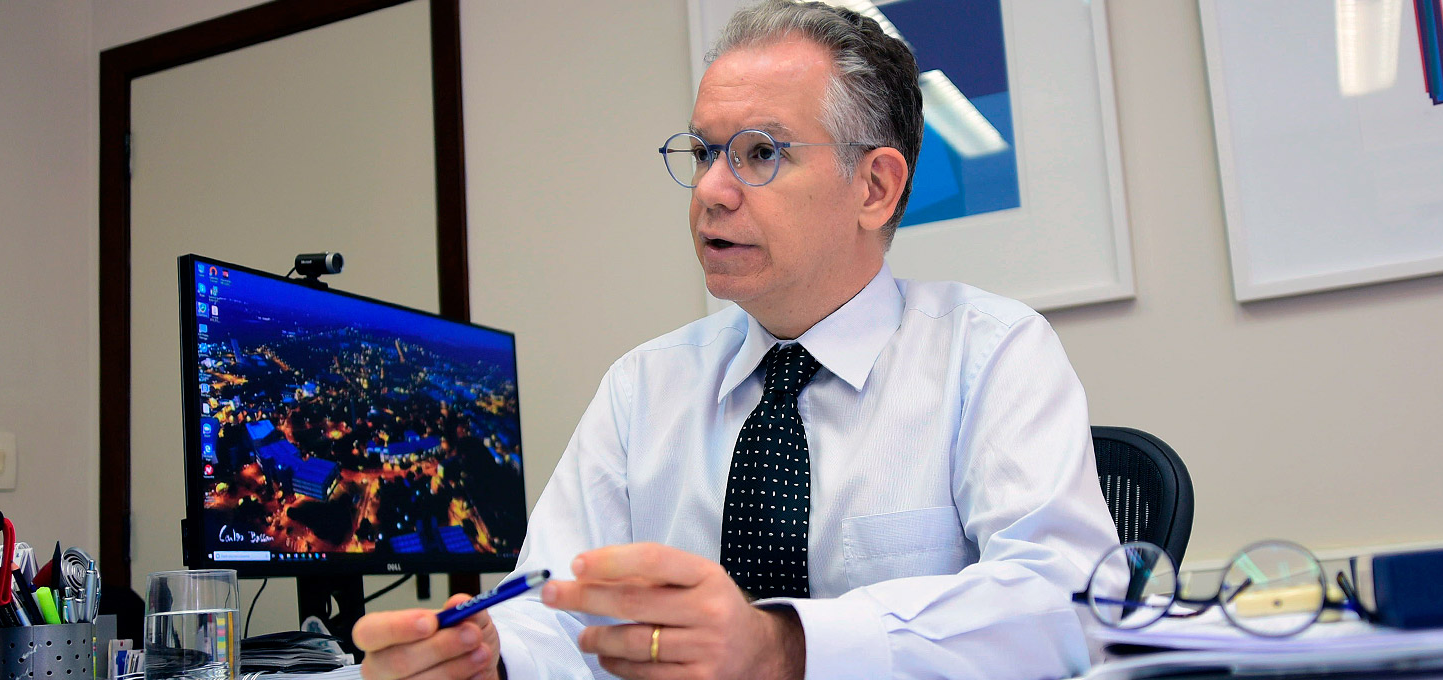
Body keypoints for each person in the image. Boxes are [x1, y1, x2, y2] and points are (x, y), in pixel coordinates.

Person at [353, 2, 1117, 678]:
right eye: (704, 152)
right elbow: (557, 607)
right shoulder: (642, 387)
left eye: (760, 153)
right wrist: (489, 659)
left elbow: (1070, 603)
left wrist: (785, 647)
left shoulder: (990, 355)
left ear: (874, 187)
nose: (713, 191)